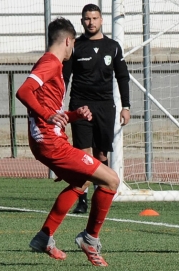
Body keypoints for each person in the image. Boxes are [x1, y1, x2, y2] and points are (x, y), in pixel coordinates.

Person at [16, 17, 119, 266]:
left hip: (45, 141)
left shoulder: (49, 64)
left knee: (81, 181)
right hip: (51, 143)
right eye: (73, 45)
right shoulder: (51, 63)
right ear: (68, 41)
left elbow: (50, 110)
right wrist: (48, 114)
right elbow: (23, 91)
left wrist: (73, 115)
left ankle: (44, 236)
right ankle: (90, 239)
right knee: (111, 180)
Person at [63, 3, 130, 214]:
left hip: (105, 107)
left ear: (101, 20)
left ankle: (102, 196)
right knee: (83, 153)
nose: (91, 22)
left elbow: (122, 77)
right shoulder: (75, 46)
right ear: (82, 21)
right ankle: (81, 199)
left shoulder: (113, 46)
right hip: (80, 105)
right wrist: (58, 105)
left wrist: (125, 107)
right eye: (87, 19)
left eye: (94, 18)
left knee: (101, 153)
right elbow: (64, 78)